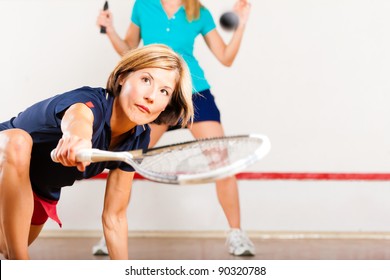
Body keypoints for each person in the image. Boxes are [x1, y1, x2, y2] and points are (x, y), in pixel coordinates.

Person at [0, 44, 193, 260]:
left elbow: (115, 216)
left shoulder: (138, 138)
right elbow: (79, 118)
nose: (151, 96)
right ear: (122, 77)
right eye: (146, 80)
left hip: (39, 192)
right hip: (3, 161)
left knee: (6, 247)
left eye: (164, 91)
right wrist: (78, 138)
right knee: (17, 141)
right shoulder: (90, 103)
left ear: (167, 104)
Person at [95, 0, 254, 256]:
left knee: (221, 162)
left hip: (195, 94)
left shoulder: (199, 12)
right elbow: (129, 51)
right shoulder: (143, 6)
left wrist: (241, 25)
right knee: (129, 160)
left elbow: (226, 57)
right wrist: (110, 29)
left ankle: (236, 233)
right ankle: (111, 232)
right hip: (157, 96)